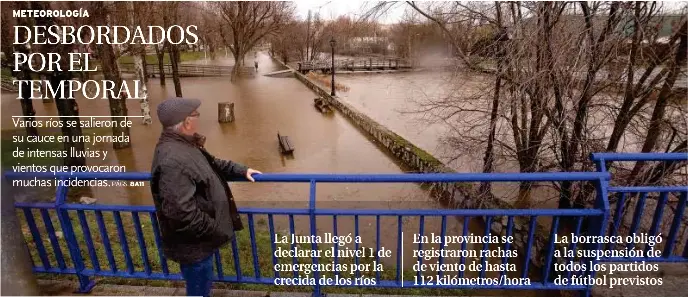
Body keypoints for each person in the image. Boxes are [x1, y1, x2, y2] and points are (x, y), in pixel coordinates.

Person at [150, 97, 261, 297]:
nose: (198, 118)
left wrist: (241, 170)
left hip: (198, 245)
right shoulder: (173, 160)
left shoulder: (185, 145)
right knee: (198, 290)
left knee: (202, 287)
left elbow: (211, 165)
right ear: (186, 122)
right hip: (194, 247)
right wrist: (214, 229)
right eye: (196, 114)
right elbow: (180, 213)